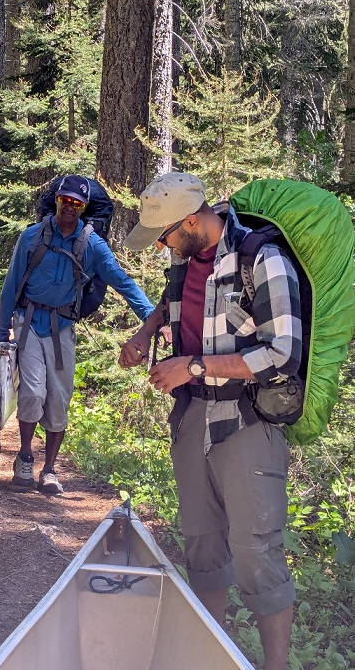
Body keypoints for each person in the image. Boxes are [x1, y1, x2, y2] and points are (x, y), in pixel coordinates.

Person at [119, 171, 302, 670]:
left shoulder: (262, 259)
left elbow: (284, 353)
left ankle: (275, 666)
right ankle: (209, 656)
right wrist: (143, 335)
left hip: (247, 420)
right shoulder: (184, 265)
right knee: (202, 545)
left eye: (165, 235)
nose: (162, 246)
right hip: (192, 417)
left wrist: (193, 366)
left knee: (256, 551)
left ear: (193, 221)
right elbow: (168, 307)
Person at [0, 175, 154, 495]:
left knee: (58, 402)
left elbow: (122, 282)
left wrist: (151, 317)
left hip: (62, 327)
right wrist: (1, 330)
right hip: (27, 322)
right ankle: (25, 456)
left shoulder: (92, 245)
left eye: (77, 203)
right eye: (65, 200)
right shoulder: (32, 237)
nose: (70, 207)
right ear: (56, 200)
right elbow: (12, 283)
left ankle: (50, 470)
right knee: (33, 393)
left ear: (84, 208)